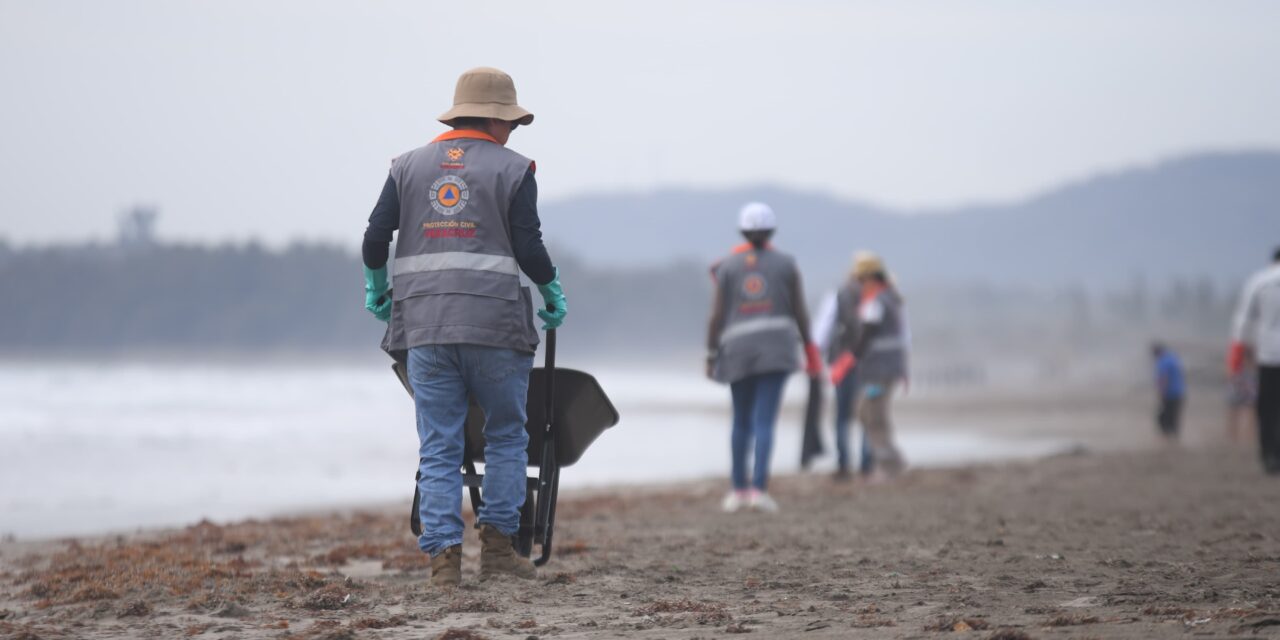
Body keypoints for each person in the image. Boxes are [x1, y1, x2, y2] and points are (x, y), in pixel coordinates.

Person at [361, 67, 568, 588]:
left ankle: (443, 563)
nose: (513, 134)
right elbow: (529, 248)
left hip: (425, 329)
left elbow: (373, 239)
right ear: (497, 121)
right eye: (512, 123)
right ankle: (498, 551)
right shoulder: (515, 169)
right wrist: (551, 291)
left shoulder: (405, 167)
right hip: (496, 327)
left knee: (439, 445)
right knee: (505, 436)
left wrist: (376, 288)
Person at [707, 202, 822, 513]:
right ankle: (759, 490)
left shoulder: (727, 266)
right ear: (772, 230)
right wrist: (811, 353)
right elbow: (800, 312)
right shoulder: (787, 264)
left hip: (737, 353)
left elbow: (716, 316)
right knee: (764, 421)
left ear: (742, 231)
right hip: (778, 351)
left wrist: (710, 354)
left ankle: (737, 491)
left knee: (740, 421)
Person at [830, 252, 907, 480]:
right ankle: (888, 462)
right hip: (886, 368)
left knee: (872, 414)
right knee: (870, 413)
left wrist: (848, 359)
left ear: (871, 278)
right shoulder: (892, 297)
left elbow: (865, 335)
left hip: (878, 371)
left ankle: (888, 464)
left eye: (861, 280)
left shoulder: (877, 302)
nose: (859, 285)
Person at [1228, 246, 1280, 474]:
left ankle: (1269, 455)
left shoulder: (1260, 281)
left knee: (1267, 408)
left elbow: (1242, 321)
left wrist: (1235, 358)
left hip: (1268, 357)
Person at [1151, 342, 1186, 441]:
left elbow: (1163, 378)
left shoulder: (1163, 361)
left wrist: (1161, 392)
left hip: (1170, 393)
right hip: (1180, 391)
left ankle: (1167, 438)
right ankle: (1175, 437)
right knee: (1174, 416)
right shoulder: (1173, 358)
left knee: (1164, 417)